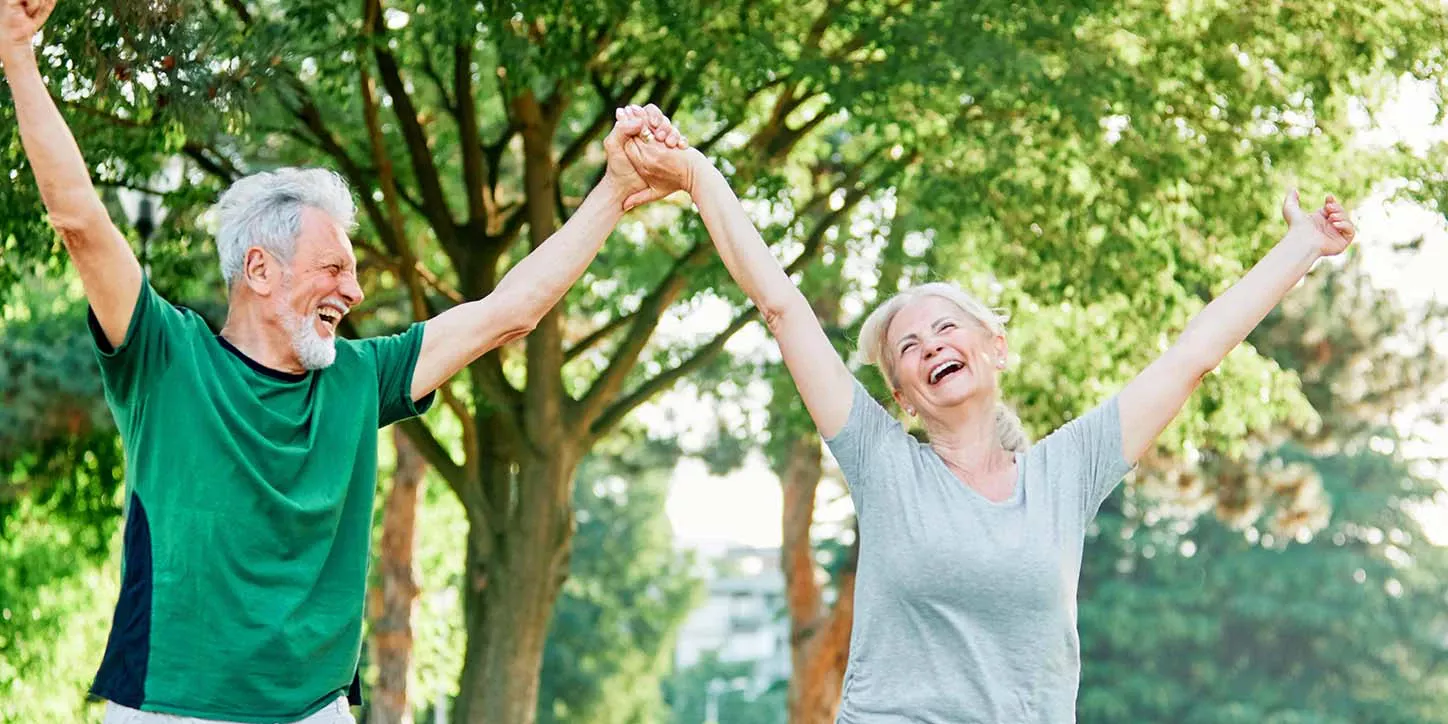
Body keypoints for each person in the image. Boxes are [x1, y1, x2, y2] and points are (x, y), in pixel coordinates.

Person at [0, 0, 687, 720]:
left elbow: (511, 310)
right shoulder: (165, 357)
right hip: (172, 705)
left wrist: (615, 190)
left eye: (353, 274)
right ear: (259, 270)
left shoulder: (360, 377)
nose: (354, 291)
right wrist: (17, 52)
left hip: (315, 709)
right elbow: (80, 221)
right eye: (333, 268)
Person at [620, 108, 1356, 722]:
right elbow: (782, 307)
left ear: (994, 349)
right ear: (902, 396)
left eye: (946, 328)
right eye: (909, 348)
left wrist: (1302, 247)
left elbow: (1192, 356)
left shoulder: (1065, 474)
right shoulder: (883, 463)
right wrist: (698, 175)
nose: (930, 346)